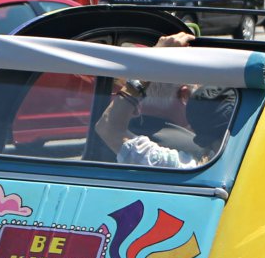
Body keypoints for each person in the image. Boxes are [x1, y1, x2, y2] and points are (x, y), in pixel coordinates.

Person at [95, 32, 236, 169]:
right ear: (185, 95)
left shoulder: (181, 163)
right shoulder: (197, 160)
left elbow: (107, 127)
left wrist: (150, 63)